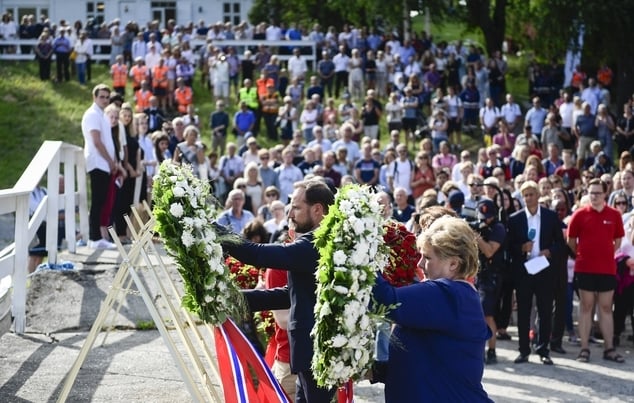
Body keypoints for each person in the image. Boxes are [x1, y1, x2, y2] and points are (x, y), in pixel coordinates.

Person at [221, 179, 337, 402]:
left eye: (296, 207)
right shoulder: (320, 241)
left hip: (315, 352)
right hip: (308, 355)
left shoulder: (316, 244)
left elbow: (256, 254)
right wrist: (234, 299)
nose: (289, 213)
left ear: (317, 209)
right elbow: (288, 295)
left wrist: (214, 231)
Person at [372, 216, 492, 402]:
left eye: (427, 257)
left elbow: (385, 300)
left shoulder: (448, 294)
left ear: (453, 264)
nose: (419, 264)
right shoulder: (455, 294)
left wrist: (361, 249)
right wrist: (375, 371)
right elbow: (426, 360)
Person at [567, 178, 625, 363]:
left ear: (605, 194)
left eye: (597, 193)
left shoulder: (614, 215)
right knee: (586, 307)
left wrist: (605, 254)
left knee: (606, 308)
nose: (594, 196)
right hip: (585, 268)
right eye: (591, 193)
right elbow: (571, 240)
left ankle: (609, 348)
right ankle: (584, 349)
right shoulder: (579, 214)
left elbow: (617, 242)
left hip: (607, 268)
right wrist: (582, 254)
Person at [507, 180, 564, 365]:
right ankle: (524, 350)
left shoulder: (550, 216)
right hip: (524, 271)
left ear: (538, 195)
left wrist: (549, 251)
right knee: (524, 311)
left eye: (531, 194)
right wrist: (521, 247)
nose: (528, 198)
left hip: (544, 269)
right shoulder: (515, 219)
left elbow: (560, 244)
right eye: (525, 195)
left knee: (545, 310)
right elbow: (509, 246)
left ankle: (543, 349)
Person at [81, 84, 117, 249]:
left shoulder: (102, 115)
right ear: (94, 97)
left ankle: (97, 238)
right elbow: (96, 141)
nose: (104, 99)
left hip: (104, 163)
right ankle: (94, 238)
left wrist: (112, 161)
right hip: (98, 162)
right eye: (101, 96)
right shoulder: (92, 114)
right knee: (97, 201)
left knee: (102, 201)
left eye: (107, 97)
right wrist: (110, 160)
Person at [474, 199, 507, 365]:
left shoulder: (498, 228)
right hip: (480, 275)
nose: (485, 220)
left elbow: (489, 252)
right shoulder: (481, 226)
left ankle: (492, 350)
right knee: (479, 314)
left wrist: (477, 237)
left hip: (492, 276)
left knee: (487, 315)